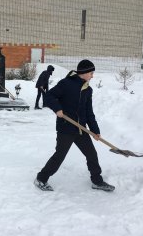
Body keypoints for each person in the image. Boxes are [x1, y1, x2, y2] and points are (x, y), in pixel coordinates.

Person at [34, 59, 115, 192]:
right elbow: (49, 96)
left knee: (91, 154)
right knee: (59, 156)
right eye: (91, 73)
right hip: (66, 128)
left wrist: (95, 130)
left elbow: (89, 112)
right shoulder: (66, 84)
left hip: (81, 129)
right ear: (83, 73)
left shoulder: (88, 90)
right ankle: (41, 178)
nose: (92, 76)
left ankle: (97, 181)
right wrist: (57, 108)